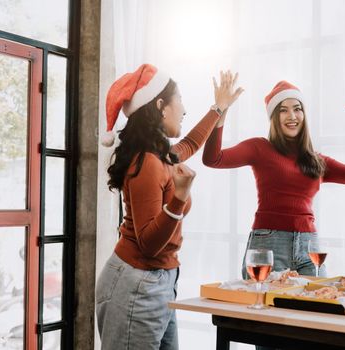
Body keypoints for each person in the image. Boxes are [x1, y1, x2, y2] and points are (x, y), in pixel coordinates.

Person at [95, 64, 243, 350]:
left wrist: (219, 108)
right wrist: (180, 197)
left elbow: (191, 143)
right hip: (137, 284)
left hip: (159, 282)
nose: (184, 110)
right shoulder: (147, 162)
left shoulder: (162, 155)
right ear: (161, 106)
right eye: (181, 101)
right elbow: (149, 244)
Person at [203, 81, 345, 279]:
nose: (292, 116)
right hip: (268, 246)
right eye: (283, 111)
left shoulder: (317, 161)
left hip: (309, 247)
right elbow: (213, 159)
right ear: (274, 117)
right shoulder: (259, 148)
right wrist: (221, 110)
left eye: (297, 109)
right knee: (265, 307)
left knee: (316, 307)